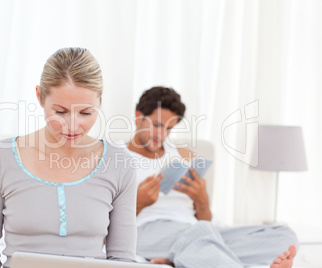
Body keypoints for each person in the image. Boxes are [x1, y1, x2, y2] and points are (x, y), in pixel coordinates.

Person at [0, 47, 137, 268]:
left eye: (86, 113)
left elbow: (122, 260)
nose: (73, 125)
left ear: (100, 102)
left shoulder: (119, 164)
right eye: (60, 111)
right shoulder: (0, 157)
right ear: (39, 97)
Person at [125, 86, 298, 268]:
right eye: (157, 125)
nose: (162, 135)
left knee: (284, 237)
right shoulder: (115, 156)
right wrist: (138, 203)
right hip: (145, 230)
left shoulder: (184, 156)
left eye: (169, 128)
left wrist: (202, 202)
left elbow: (205, 220)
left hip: (197, 230)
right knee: (200, 234)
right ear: (138, 116)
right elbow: (103, 223)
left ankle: (182, 257)